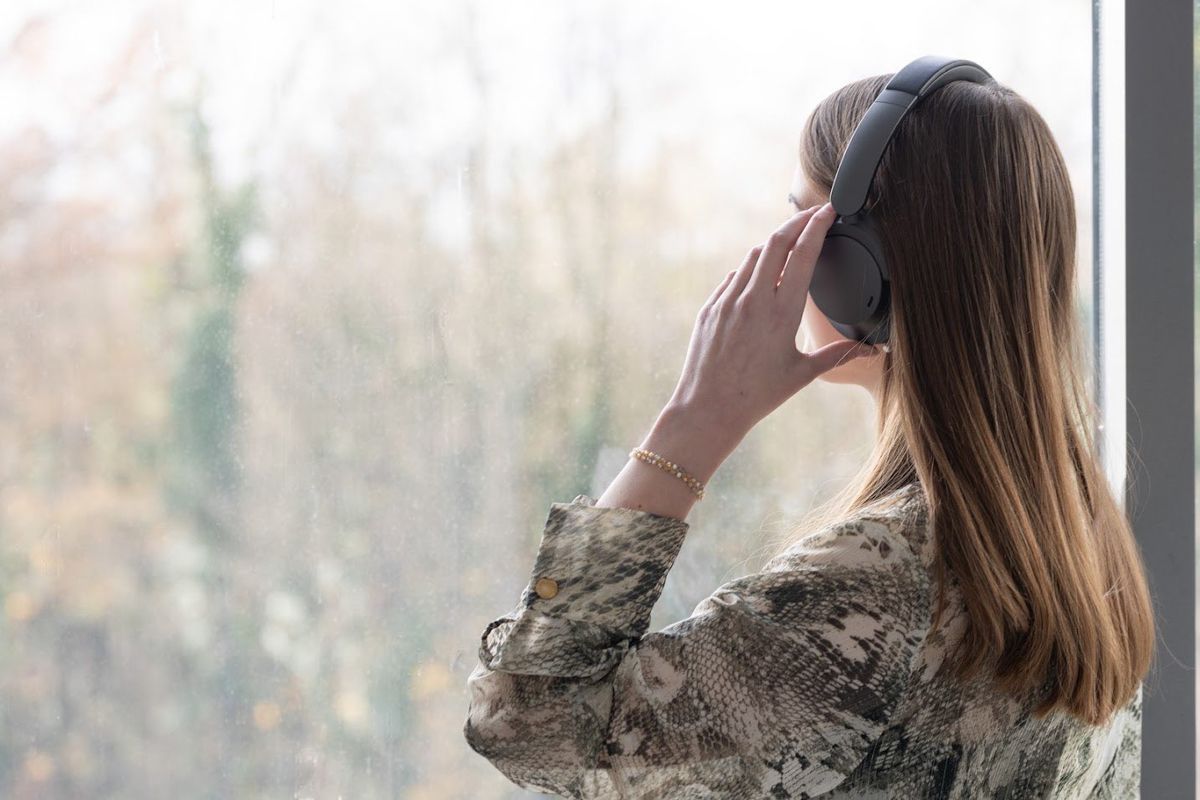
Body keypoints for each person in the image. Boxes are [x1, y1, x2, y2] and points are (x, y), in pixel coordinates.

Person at [461, 71, 1155, 799]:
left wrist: (697, 420)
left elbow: (525, 718)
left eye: (803, 227)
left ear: (860, 273)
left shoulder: (879, 582)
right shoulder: (1079, 536)